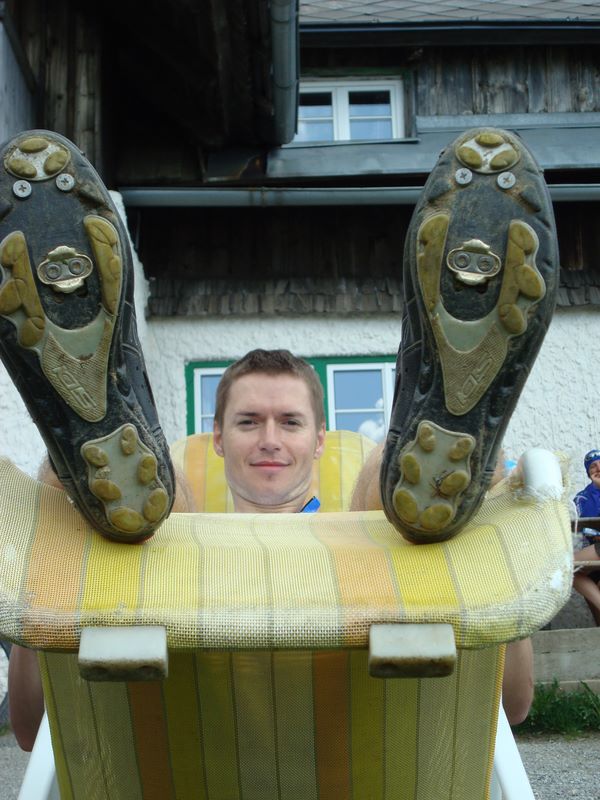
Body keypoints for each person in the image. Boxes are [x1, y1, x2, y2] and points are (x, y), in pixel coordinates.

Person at [8, 348, 533, 749]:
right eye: (248, 421)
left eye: (290, 421)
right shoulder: (182, 529)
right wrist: (49, 550)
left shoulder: (364, 533)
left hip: (353, 617)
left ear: (320, 440)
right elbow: (31, 727)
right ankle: (87, 446)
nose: (269, 439)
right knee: (161, 507)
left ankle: (446, 436)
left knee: (383, 485)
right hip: (206, 670)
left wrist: (489, 547)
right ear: (217, 438)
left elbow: (511, 704)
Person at [572, 450, 600, 625]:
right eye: (593, 467)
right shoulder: (582, 497)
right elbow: (588, 525)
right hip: (595, 548)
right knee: (568, 568)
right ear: (588, 473)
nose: (598, 468)